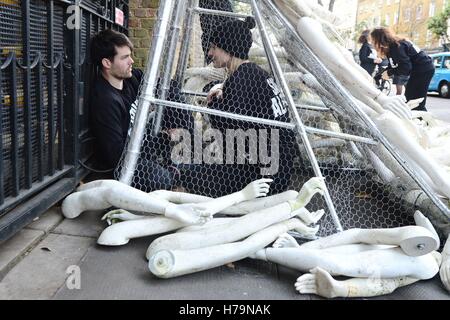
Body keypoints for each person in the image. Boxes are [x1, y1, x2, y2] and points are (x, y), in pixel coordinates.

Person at [184, 16, 297, 196]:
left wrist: (212, 105)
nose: (210, 53)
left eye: (214, 47)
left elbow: (227, 133)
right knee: (201, 162)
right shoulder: (256, 73)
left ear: (229, 48)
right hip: (277, 168)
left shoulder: (239, 81)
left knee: (188, 174)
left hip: (262, 177)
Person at [88, 29, 180, 191]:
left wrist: (180, 125)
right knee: (161, 178)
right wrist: (159, 141)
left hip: (147, 146)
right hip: (127, 164)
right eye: (124, 58)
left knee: (185, 156)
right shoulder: (105, 100)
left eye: (130, 55)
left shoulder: (132, 78)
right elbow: (117, 157)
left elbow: (168, 88)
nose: (131, 61)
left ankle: (176, 175)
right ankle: (174, 177)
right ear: (107, 63)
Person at [370, 27, 435, 111]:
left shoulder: (397, 46)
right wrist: (378, 77)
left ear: (379, 39)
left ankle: (422, 120)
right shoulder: (392, 47)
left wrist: (389, 73)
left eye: (373, 40)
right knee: (410, 98)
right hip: (419, 70)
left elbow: (405, 68)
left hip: (424, 69)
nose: (372, 43)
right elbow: (393, 65)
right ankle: (418, 117)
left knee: (415, 100)